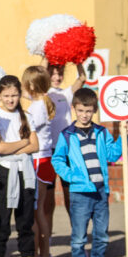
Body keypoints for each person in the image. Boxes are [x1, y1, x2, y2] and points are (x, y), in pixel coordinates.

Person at [51, 88, 122, 257]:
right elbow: (57, 160)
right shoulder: (67, 134)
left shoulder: (102, 132)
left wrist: (122, 137)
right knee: (79, 237)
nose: (84, 115)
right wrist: (71, 176)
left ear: (94, 110)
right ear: (74, 109)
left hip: (100, 192)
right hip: (80, 193)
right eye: (81, 110)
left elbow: (112, 155)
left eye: (88, 111)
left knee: (102, 235)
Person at [0, 75, 39, 257]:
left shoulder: (27, 116)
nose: (11, 99)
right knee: (2, 222)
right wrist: (24, 141)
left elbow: (35, 146)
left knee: (25, 221)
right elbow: (0, 148)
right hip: (5, 172)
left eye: (15, 95)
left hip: (25, 171)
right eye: (6, 95)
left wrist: (15, 147)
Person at [21, 65, 56, 257]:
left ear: (32, 85)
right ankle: (43, 256)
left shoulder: (37, 107)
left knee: (35, 211)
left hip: (38, 160)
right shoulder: (41, 102)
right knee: (39, 210)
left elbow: (27, 130)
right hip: (44, 160)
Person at [46, 61, 86, 220]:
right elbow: (39, 74)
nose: (57, 77)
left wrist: (78, 59)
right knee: (48, 194)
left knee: (69, 191)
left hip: (66, 148)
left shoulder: (66, 94)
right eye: (53, 74)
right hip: (48, 149)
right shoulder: (42, 93)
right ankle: (47, 233)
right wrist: (46, 58)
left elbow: (82, 78)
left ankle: (76, 229)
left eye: (60, 74)